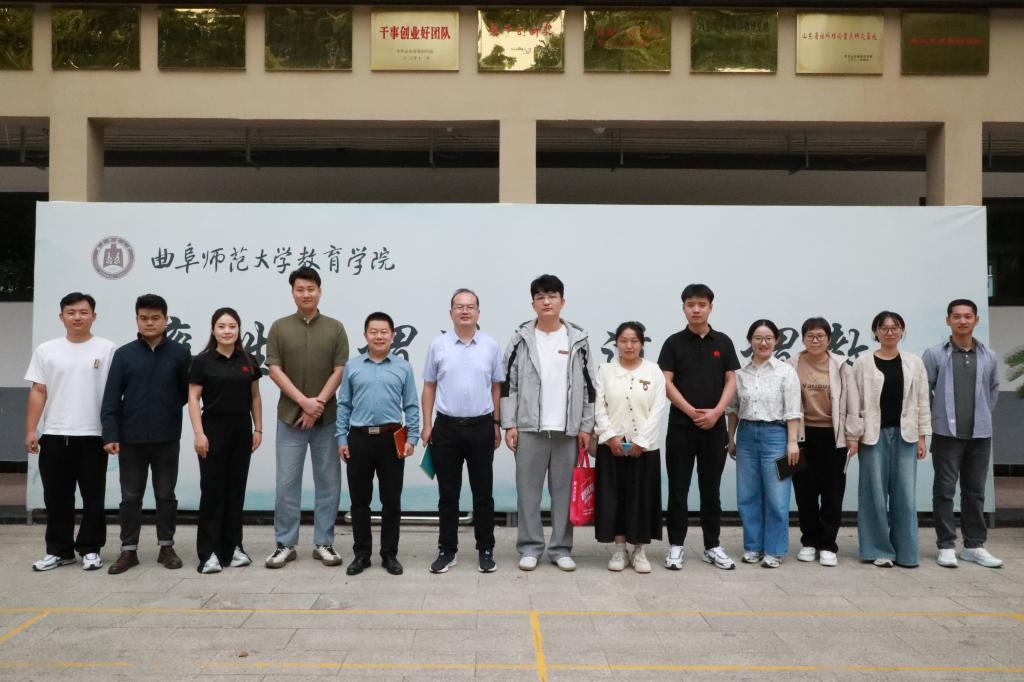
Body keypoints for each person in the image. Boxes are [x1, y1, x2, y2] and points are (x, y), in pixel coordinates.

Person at [501, 274, 597, 572]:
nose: (546, 301)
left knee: (564, 493)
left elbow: (590, 388)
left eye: (552, 296)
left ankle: (560, 548)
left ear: (562, 301)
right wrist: (509, 424)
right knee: (528, 493)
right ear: (533, 304)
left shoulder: (578, 339)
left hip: (567, 431)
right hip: (529, 429)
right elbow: (507, 385)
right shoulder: (520, 339)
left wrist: (586, 426)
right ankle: (530, 547)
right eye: (540, 297)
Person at [25, 292, 117, 572]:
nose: (77, 317)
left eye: (83, 312)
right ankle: (59, 550)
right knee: (56, 498)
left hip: (93, 435)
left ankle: (90, 549)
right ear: (61, 317)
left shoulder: (108, 349)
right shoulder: (47, 350)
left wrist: (113, 432)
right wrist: (31, 430)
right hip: (54, 434)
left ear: (94, 316)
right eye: (71, 312)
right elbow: (38, 391)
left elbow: (115, 394)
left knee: (93, 497)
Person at [265, 266, 348, 569]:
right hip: (290, 418)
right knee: (286, 484)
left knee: (329, 483)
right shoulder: (279, 327)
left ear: (320, 291)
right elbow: (274, 369)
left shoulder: (335, 328)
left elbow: (340, 370)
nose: (306, 294)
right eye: (300, 289)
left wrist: (319, 404)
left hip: (327, 420)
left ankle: (324, 542)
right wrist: (303, 402)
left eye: (311, 289)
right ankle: (285, 544)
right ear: (293, 293)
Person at [101, 293, 190, 575]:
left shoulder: (180, 353)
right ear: (137, 320)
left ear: (166, 320)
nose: (149, 323)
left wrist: (165, 410)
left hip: (167, 437)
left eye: (155, 318)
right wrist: (110, 434)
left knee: (166, 494)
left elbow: (185, 394)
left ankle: (166, 547)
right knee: (130, 497)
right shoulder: (124, 354)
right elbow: (111, 398)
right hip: (131, 438)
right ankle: (129, 550)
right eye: (144, 318)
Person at [657, 283, 740, 571]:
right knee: (678, 488)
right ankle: (676, 546)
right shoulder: (673, 343)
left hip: (714, 427)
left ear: (710, 307)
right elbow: (665, 382)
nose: (696, 310)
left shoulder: (723, 342)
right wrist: (691, 411)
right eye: (691, 305)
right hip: (681, 426)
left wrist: (717, 412)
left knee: (710, 489)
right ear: (683, 308)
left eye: (701, 305)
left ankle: (712, 546)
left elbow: (731, 380)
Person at [421, 289, 504, 574]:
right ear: (451, 312)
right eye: (459, 306)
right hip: (446, 428)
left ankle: (486, 549)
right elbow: (429, 386)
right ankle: (447, 549)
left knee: (483, 493)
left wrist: (496, 423)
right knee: (448, 494)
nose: (465, 311)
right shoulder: (438, 345)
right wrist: (427, 425)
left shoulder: (490, 345)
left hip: (481, 427)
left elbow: (496, 387)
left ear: (478, 311)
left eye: (470, 306)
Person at [336, 312, 420, 576]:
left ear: (392, 336)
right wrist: (341, 438)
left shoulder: (403, 367)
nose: (379, 336)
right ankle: (361, 555)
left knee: (391, 501)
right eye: (374, 332)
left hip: (391, 439)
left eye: (384, 332)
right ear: (365, 335)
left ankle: (389, 554)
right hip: (359, 439)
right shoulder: (352, 366)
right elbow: (344, 404)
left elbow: (411, 405)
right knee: (359, 501)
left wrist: (412, 438)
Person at [923, 299, 1003, 569]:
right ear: (948, 320)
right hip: (946, 434)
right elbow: (924, 391)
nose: (962, 321)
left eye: (968, 316)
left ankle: (974, 546)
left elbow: (993, 389)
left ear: (976, 320)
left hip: (980, 435)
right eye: (956, 316)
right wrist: (935, 420)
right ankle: (946, 545)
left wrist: (982, 416)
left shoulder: (988, 355)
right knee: (944, 491)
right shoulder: (935, 354)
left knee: (975, 492)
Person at [849, 311, 931, 568]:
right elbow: (854, 402)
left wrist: (922, 436)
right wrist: (854, 436)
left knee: (905, 495)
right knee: (873, 494)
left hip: (906, 435)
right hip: (872, 436)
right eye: (883, 328)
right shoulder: (862, 363)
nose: (889, 332)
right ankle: (878, 550)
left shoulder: (914, 362)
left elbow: (922, 401)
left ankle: (906, 553)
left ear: (902, 331)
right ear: (875, 332)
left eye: (895, 327)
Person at [187, 308, 264, 574]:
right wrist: (199, 433)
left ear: (239, 329)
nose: (227, 331)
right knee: (212, 490)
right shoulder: (202, 361)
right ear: (213, 330)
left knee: (235, 490)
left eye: (232, 326)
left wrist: (258, 428)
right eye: (222, 326)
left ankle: (234, 548)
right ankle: (209, 553)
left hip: (241, 429)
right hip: (213, 428)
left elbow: (255, 396)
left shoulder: (248, 360)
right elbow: (193, 398)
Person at [726, 319, 802, 569]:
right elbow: (733, 409)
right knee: (748, 495)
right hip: (747, 435)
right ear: (750, 341)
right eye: (758, 338)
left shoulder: (785, 371)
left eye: (768, 338)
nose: (763, 342)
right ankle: (753, 547)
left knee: (777, 497)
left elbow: (793, 410)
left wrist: (792, 442)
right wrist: (730, 438)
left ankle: (775, 550)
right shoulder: (740, 373)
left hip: (776, 435)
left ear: (776, 341)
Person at [594, 321, 668, 574]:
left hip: (644, 448)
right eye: (624, 341)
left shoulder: (654, 371)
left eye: (634, 341)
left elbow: (658, 409)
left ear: (642, 343)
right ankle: (619, 549)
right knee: (614, 497)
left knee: (642, 497)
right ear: (616, 343)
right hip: (611, 446)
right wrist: (611, 437)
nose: (629, 345)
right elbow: (599, 407)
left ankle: (640, 550)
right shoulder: (605, 370)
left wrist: (641, 441)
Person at [788, 317, 860, 567]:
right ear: (803, 339)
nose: (815, 340)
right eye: (810, 336)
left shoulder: (841, 365)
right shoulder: (792, 364)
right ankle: (809, 541)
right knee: (804, 492)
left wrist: (853, 435)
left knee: (832, 492)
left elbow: (852, 401)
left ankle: (828, 544)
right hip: (802, 436)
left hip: (834, 437)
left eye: (820, 336)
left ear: (829, 339)